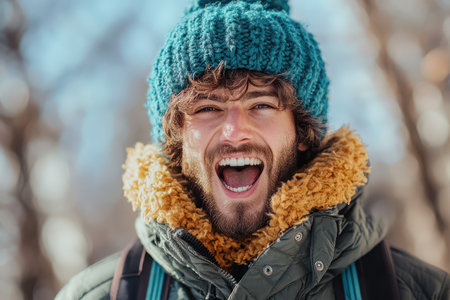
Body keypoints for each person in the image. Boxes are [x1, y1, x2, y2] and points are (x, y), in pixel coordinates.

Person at [56, 0, 450, 299]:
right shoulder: (93, 295)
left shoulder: (417, 290)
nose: (234, 131)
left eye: (261, 105)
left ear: (301, 130)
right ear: (177, 137)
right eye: (208, 108)